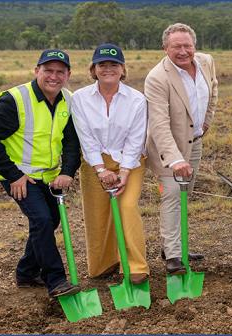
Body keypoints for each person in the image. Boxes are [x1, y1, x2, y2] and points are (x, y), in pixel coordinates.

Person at [0, 49, 81, 297]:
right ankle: (56, 280)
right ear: (37, 71)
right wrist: (14, 176)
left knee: (50, 221)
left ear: (68, 75)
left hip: (48, 175)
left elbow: (71, 142)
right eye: (48, 70)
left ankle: (26, 272)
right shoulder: (14, 100)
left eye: (60, 72)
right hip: (19, 176)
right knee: (42, 220)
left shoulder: (68, 99)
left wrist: (67, 171)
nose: (53, 77)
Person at [70, 43, 149, 284]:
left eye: (114, 65)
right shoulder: (80, 98)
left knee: (126, 207)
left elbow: (136, 139)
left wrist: (124, 171)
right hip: (95, 162)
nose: (108, 69)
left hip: (131, 160)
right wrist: (101, 169)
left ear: (122, 69)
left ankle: (136, 266)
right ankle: (104, 264)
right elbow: (86, 138)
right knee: (97, 215)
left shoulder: (137, 99)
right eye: (102, 65)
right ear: (93, 69)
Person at [144, 23, 218, 275]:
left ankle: (173, 245)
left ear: (194, 46)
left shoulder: (206, 62)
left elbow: (214, 89)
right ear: (165, 48)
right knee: (173, 195)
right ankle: (173, 256)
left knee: (185, 193)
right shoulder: (157, 78)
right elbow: (159, 124)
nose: (183, 51)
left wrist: (207, 120)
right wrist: (175, 159)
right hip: (168, 148)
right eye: (176, 46)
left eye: (187, 46)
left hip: (194, 141)